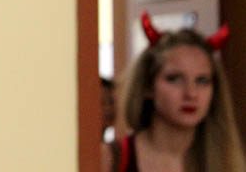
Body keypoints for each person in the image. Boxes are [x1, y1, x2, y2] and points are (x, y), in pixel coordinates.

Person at [101, 12, 245, 172]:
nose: (191, 93)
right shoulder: (110, 159)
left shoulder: (225, 162)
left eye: (202, 81)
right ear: (148, 86)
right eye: (174, 79)